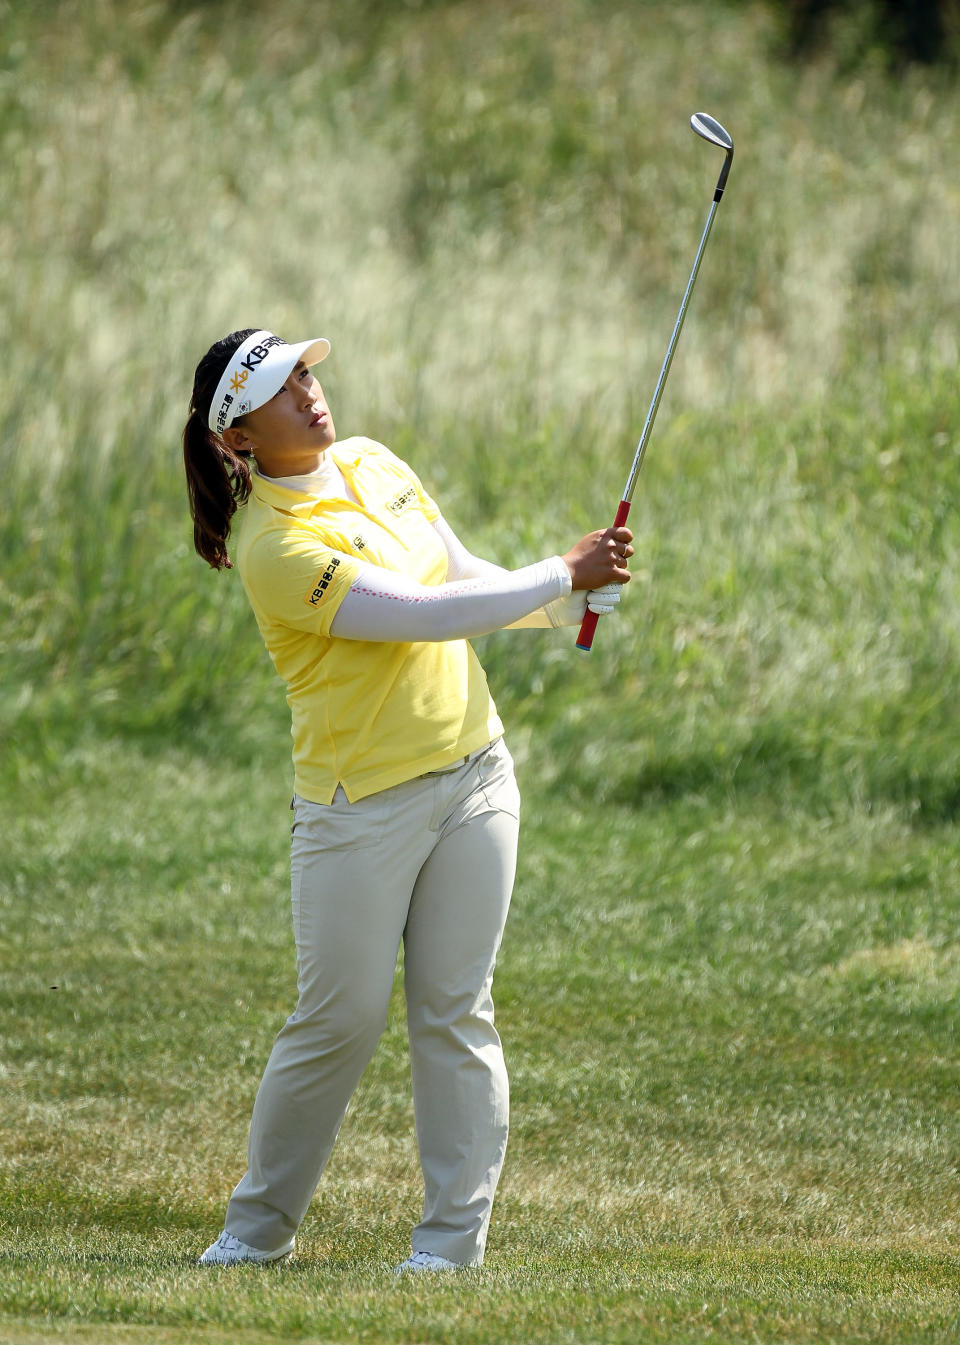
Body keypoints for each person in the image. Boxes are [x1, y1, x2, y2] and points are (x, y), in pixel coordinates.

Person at [181, 328, 632, 1273]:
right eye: (279, 388)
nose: (308, 393)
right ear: (238, 439)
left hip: (475, 773)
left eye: (305, 373)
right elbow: (414, 616)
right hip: (358, 810)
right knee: (336, 1022)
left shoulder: (374, 462)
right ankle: (256, 1233)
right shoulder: (274, 545)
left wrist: (568, 595)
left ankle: (449, 1249)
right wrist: (562, 574)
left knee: (458, 1008)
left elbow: (458, 578)